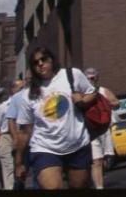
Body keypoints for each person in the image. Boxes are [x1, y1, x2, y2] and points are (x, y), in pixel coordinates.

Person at [14, 48, 97, 190]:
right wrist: (19, 162)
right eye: (35, 63)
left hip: (77, 145)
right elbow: (25, 132)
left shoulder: (71, 75)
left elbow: (92, 92)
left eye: (44, 59)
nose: (40, 64)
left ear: (51, 59)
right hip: (45, 148)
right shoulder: (28, 95)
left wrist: (82, 101)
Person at [84, 68, 119, 190]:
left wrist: (105, 104)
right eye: (87, 78)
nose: (90, 80)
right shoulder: (82, 93)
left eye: (92, 78)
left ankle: (98, 177)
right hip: (90, 131)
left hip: (104, 130)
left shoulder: (104, 91)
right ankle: (99, 186)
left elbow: (116, 103)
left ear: (96, 78)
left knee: (105, 160)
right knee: (96, 161)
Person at [0, 80, 24, 189]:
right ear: (12, 90)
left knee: (21, 169)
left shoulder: (27, 105)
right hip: (6, 138)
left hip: (22, 136)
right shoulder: (3, 107)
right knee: (9, 169)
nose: (23, 91)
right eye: (20, 88)